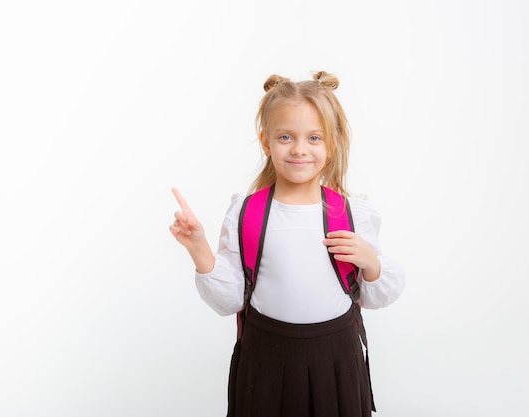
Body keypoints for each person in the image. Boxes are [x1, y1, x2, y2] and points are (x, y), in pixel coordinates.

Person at [169, 71, 405, 417]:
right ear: (266, 142)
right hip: (265, 359)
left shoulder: (353, 213)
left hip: (336, 360)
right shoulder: (246, 213)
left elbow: (378, 295)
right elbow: (230, 300)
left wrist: (371, 263)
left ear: (333, 143)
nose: (299, 149)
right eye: (285, 136)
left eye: (314, 137)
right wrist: (198, 248)